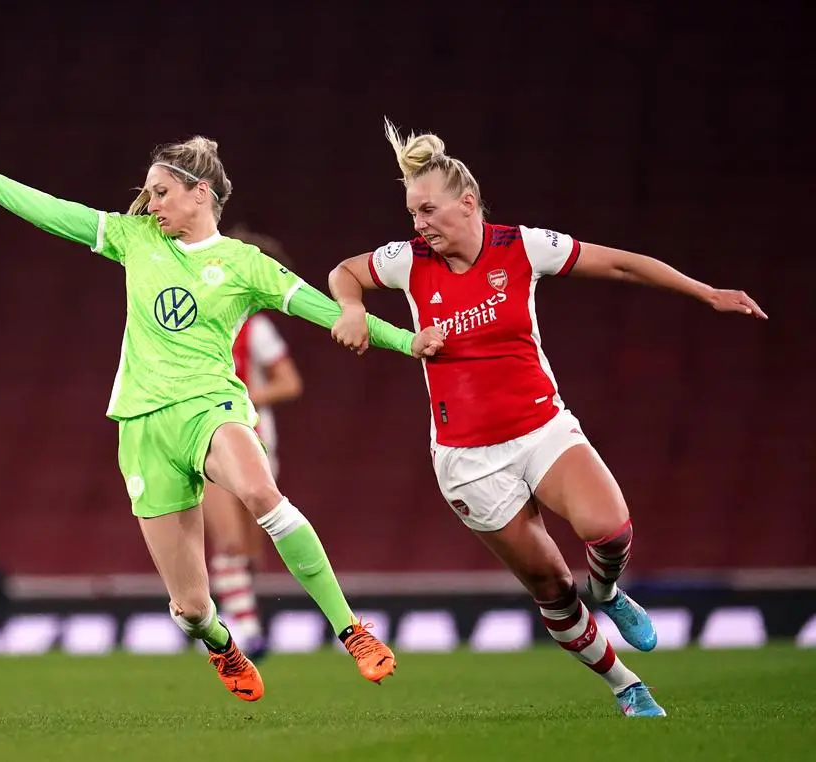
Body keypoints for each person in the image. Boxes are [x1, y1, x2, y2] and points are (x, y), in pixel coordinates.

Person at [0, 135, 444, 702]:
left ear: (201, 193)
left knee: (261, 494)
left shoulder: (243, 263)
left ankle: (350, 630)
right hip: (142, 425)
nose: (152, 204)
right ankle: (219, 642)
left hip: (210, 407)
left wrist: (408, 341)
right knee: (190, 608)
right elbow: (47, 210)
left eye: (161, 192)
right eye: (148, 194)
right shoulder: (133, 238)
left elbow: (325, 308)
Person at [327, 120, 768, 718]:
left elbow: (621, 265)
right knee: (552, 589)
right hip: (466, 458)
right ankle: (626, 686)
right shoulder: (408, 261)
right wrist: (351, 308)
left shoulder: (521, 247)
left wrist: (706, 292)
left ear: (468, 203)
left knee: (609, 530)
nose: (418, 224)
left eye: (427, 210)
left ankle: (608, 592)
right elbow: (345, 272)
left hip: (541, 429)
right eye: (411, 213)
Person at [204, 224, 304, 661]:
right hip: (206, 437)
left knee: (248, 549)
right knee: (226, 540)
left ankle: (243, 619)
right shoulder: (200, 314)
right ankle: (244, 630)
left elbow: (290, 383)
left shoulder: (256, 329)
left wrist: (243, 395)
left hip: (255, 442)